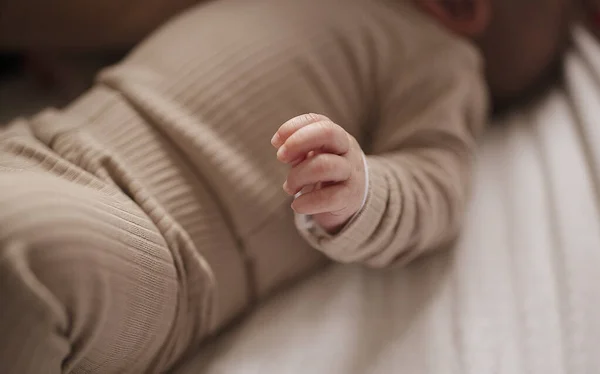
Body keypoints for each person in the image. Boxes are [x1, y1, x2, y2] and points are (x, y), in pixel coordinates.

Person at [0, 0, 571, 372]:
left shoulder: (438, 58)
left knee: (23, 260)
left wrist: (363, 190)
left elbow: (439, 182)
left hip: (150, 237)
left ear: (461, 8)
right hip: (45, 140)